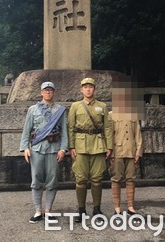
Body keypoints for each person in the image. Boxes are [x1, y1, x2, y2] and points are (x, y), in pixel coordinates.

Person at [19, 81, 68, 223]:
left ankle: (48, 211)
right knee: (36, 179)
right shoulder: (33, 109)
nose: (48, 92)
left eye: (50, 90)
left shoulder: (60, 110)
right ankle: (37, 211)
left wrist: (63, 149)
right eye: (45, 90)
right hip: (37, 149)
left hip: (54, 149)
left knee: (52, 180)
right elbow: (26, 130)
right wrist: (25, 147)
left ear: (54, 92)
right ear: (41, 92)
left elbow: (64, 132)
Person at [68, 77, 112, 222]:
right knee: (80, 179)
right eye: (85, 87)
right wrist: (71, 146)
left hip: (98, 145)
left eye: (91, 87)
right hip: (80, 146)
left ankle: (97, 209)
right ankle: (81, 209)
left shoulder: (102, 106)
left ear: (95, 89)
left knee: (97, 179)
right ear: (81, 90)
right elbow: (71, 128)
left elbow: (107, 127)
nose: (88, 89)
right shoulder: (75, 106)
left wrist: (109, 146)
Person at [110, 87, 143, 215]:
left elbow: (138, 135)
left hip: (131, 151)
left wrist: (138, 152)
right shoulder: (111, 115)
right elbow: (109, 136)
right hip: (117, 151)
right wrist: (110, 153)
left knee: (131, 179)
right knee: (116, 179)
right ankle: (117, 207)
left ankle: (130, 207)